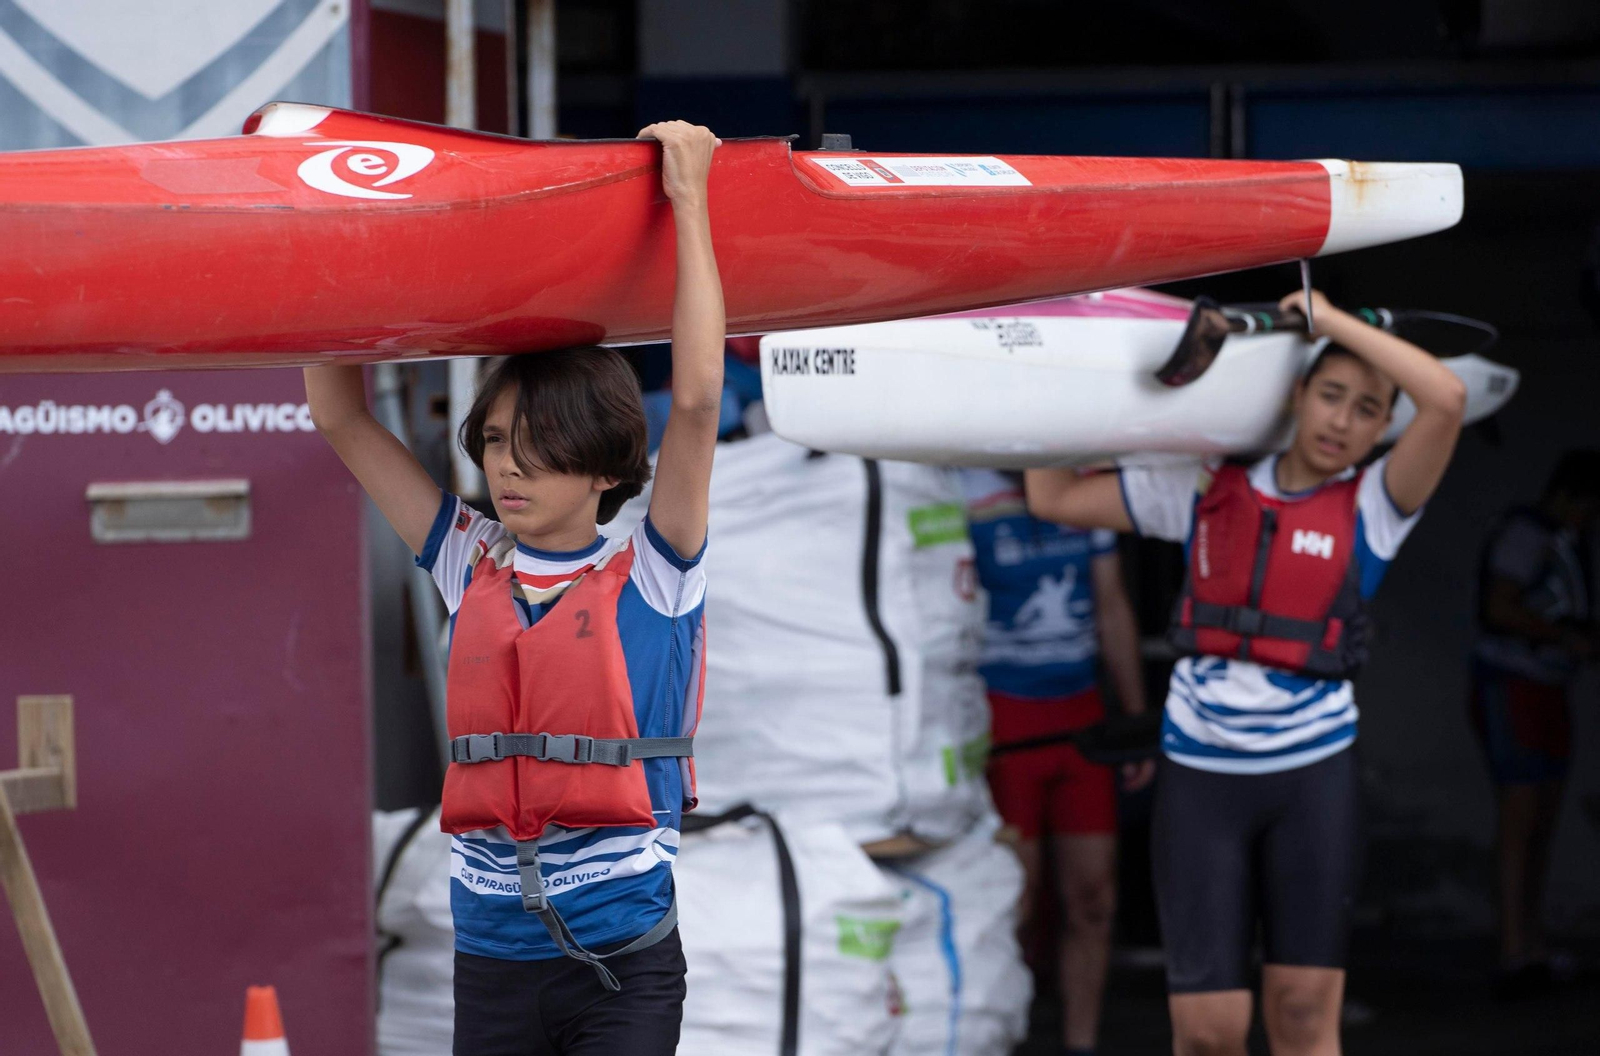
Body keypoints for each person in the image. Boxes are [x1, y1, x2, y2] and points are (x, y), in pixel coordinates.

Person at [305, 121, 724, 1055]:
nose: (508, 469)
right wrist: (331, 236)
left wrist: (691, 200)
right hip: (491, 965)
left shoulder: (653, 569)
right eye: (494, 443)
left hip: (622, 965)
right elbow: (338, 414)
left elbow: (696, 401)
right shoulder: (470, 557)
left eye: (533, 447)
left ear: (604, 466)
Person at [1025, 289, 1467, 1056]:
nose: (1342, 421)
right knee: (1207, 1033)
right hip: (1200, 778)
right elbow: (1054, 496)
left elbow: (1448, 397)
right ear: (1297, 395)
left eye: (1368, 410)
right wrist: (1082, 394)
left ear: (1381, 429)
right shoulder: (1202, 491)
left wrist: (1326, 320)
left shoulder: (1377, 505)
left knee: (1300, 1012)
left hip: (1312, 777)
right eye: (1331, 395)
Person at [963, 469, 1156, 1056]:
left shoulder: (1084, 483)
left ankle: (1081, 1045)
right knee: (1014, 905)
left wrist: (1134, 719)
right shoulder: (963, 489)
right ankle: (1005, 1038)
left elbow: (1112, 605)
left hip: (1082, 718)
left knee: (1094, 900)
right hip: (1003, 716)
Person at [1470, 449, 1600, 994]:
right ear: (1572, 496)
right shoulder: (1529, 532)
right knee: (1521, 820)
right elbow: (1500, 608)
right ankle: (1513, 951)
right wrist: (1566, 636)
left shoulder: (1565, 541)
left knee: (1542, 818)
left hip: (1549, 687)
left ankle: (1532, 944)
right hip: (1512, 683)